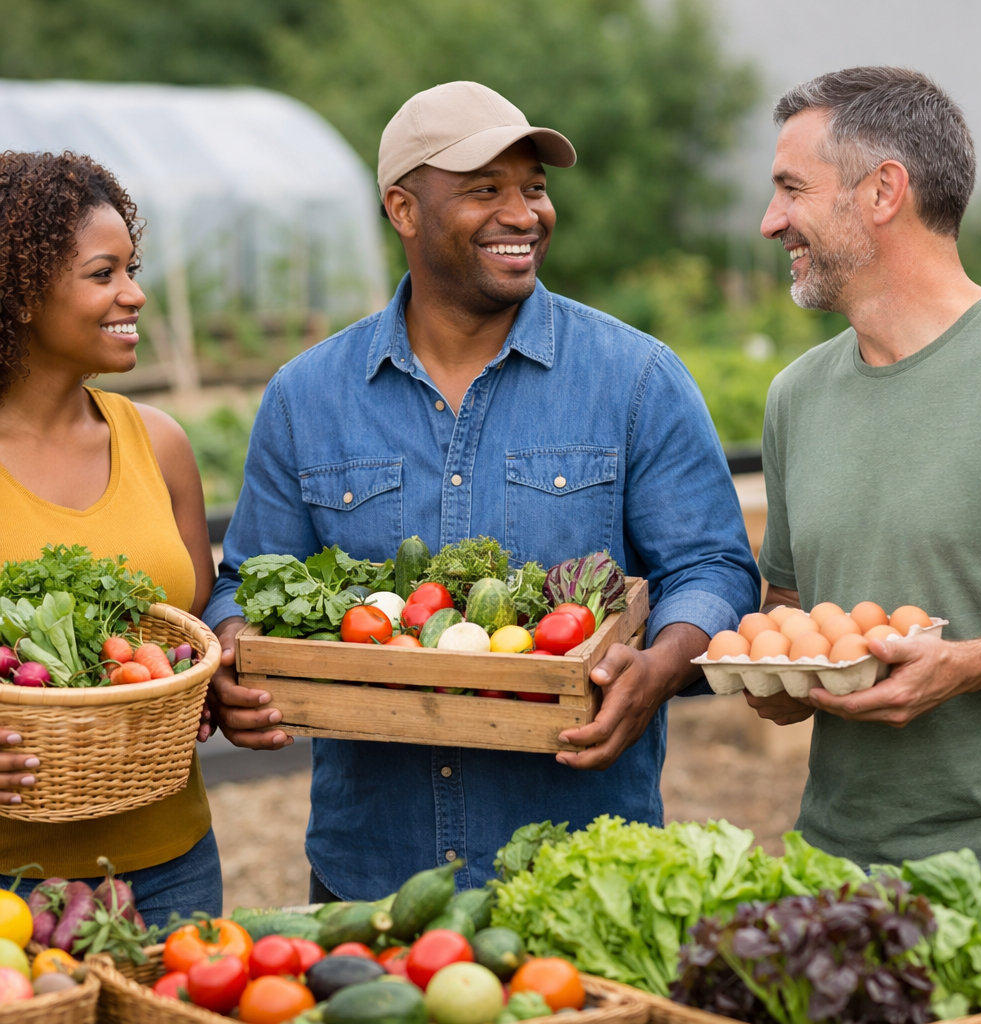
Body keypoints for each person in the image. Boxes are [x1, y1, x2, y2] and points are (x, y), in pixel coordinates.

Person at [204, 80, 760, 902]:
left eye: (534, 188)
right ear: (403, 209)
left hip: (581, 872)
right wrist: (237, 661)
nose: (524, 212)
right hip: (371, 876)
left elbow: (712, 566)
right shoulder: (307, 396)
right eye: (484, 190)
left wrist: (662, 664)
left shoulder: (635, 377)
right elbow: (244, 581)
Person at [752, 66, 981, 883]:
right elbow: (790, 615)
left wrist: (970, 665)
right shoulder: (796, 394)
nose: (772, 223)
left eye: (792, 189)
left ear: (882, 191)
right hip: (833, 866)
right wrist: (771, 675)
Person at [0, 150, 222, 924]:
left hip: (172, 860)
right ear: (22, 293)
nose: (135, 293)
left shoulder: (158, 443)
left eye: (132, 268)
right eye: (104, 274)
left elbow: (196, 625)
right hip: (8, 882)